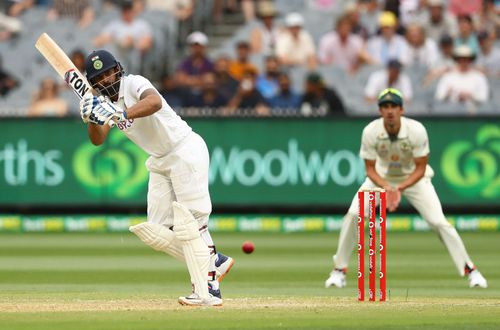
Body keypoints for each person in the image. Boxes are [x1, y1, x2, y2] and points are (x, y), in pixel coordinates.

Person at [78, 49, 234, 306]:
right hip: (159, 160)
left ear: (118, 69)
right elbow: (98, 140)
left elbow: (154, 103)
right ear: (94, 82)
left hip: (184, 149)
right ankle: (214, 261)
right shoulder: (105, 104)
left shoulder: (135, 83)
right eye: (100, 77)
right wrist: (91, 119)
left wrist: (122, 114)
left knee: (191, 223)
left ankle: (208, 290)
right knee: (158, 232)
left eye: (109, 72)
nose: (107, 79)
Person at [324, 88, 488, 290]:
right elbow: (369, 169)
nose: (390, 111)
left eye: (394, 106)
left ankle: (471, 270)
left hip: (415, 181)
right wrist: (387, 187)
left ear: (401, 109)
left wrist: (399, 188)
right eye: (385, 106)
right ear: (380, 110)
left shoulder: (416, 130)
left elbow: (420, 168)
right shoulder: (371, 131)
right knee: (353, 214)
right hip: (380, 179)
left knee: (438, 222)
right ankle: (339, 271)